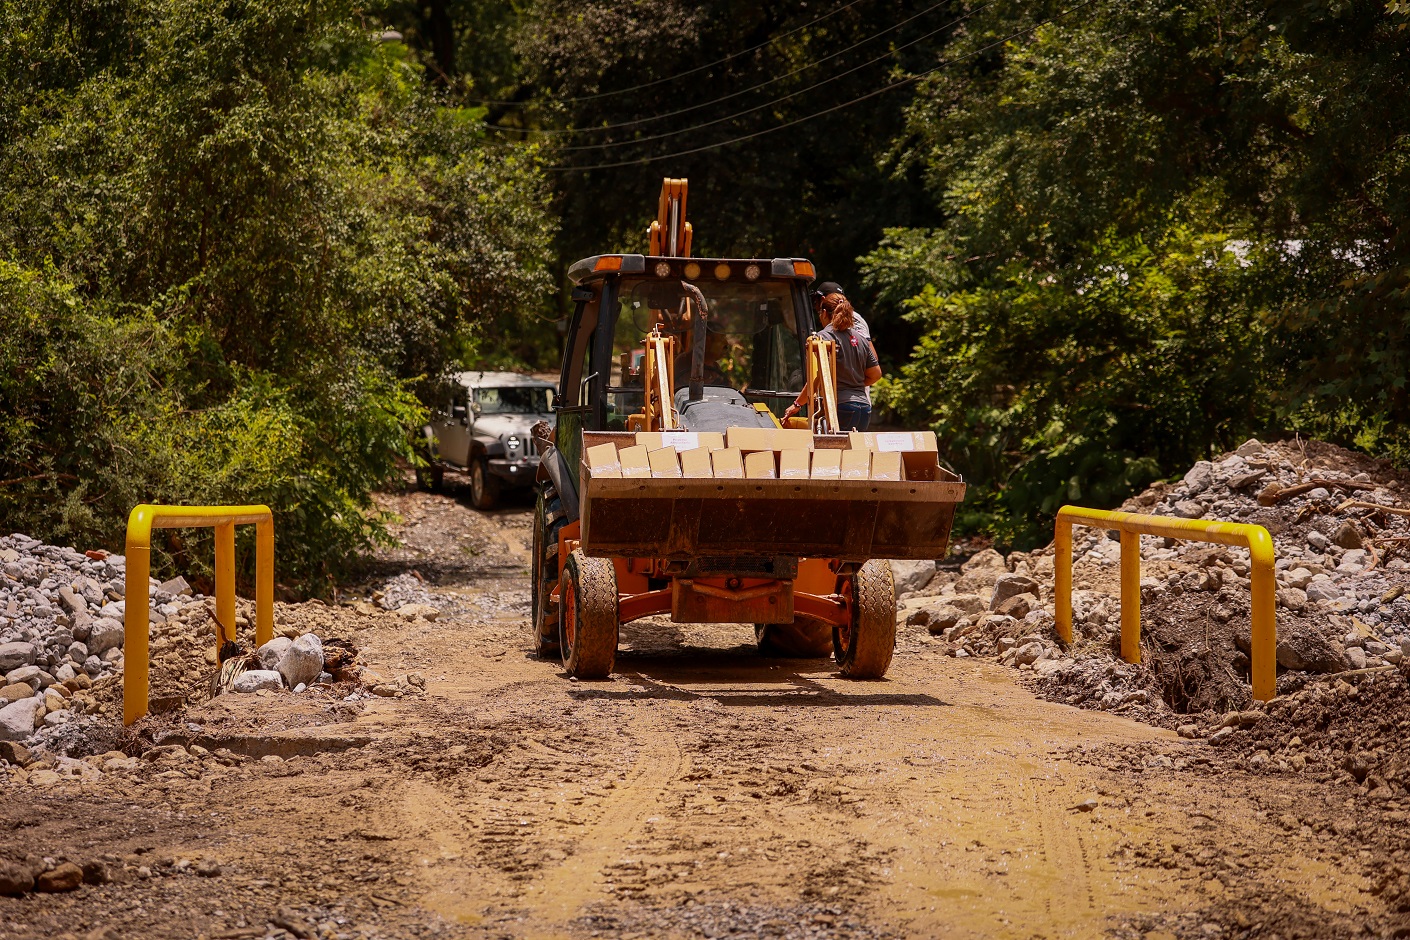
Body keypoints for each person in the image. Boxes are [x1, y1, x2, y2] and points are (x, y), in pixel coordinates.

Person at [783, 283, 882, 431]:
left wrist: (796, 405)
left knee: (832, 452)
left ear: (824, 313)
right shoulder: (860, 338)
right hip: (864, 409)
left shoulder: (823, 337)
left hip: (842, 408)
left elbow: (815, 379)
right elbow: (876, 374)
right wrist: (854, 385)